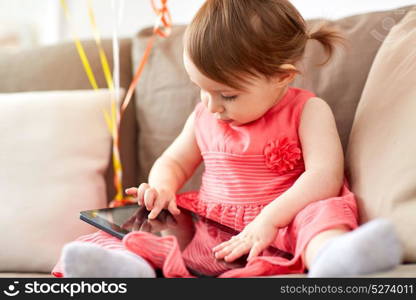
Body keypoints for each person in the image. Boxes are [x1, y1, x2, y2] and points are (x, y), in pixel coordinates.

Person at [53, 0, 402, 278]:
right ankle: (127, 269)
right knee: (140, 228)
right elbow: (174, 162)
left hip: (285, 219)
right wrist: (161, 187)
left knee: (321, 215)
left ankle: (334, 258)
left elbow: (323, 177)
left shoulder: (308, 111)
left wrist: (270, 219)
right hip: (212, 230)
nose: (211, 105)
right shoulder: (204, 114)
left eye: (228, 95)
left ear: (282, 77)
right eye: (201, 89)